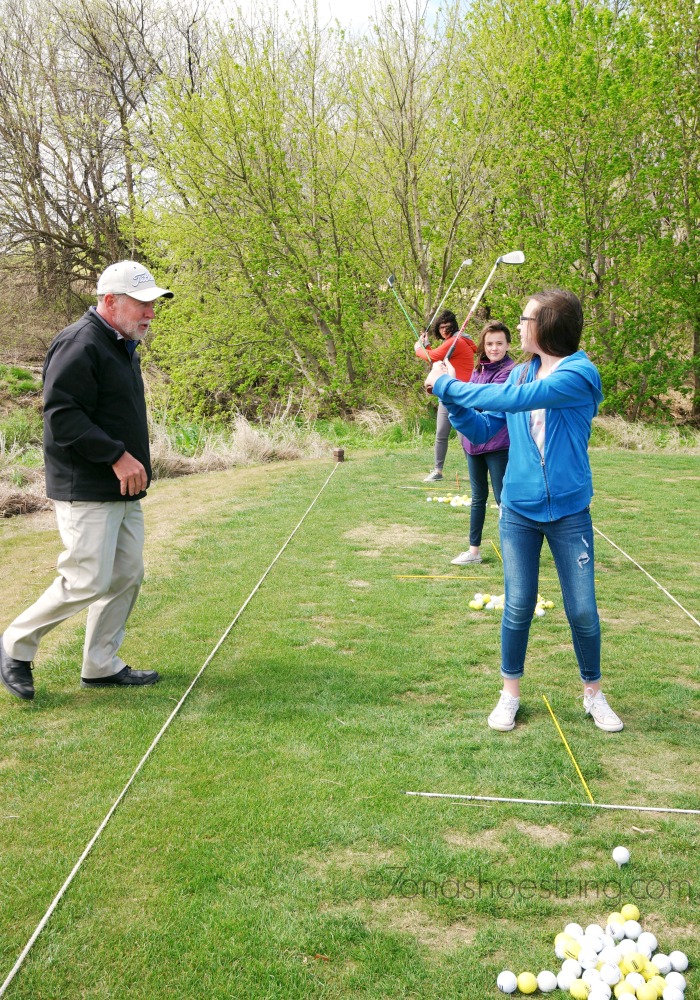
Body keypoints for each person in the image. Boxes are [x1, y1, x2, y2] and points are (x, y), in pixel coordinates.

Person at [424, 289, 623, 733]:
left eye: (524, 318)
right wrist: (453, 401)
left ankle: (593, 693)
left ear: (547, 324)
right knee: (517, 605)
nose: (517, 326)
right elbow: (484, 426)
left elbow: (517, 401)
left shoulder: (579, 374)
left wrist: (447, 382)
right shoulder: (517, 375)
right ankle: (509, 694)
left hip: (570, 512)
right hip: (518, 511)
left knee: (583, 611)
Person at [0, 260, 173, 701]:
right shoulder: (80, 343)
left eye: (154, 304)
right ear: (110, 300)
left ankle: (100, 663)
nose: (150, 313)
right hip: (87, 484)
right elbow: (62, 417)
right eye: (143, 304)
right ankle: (14, 645)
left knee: (126, 574)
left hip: (121, 486)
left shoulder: (121, 341)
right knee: (86, 579)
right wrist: (117, 456)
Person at [451, 320, 514, 566]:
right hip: (473, 445)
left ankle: (514, 552)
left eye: (499, 343)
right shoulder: (479, 370)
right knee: (478, 497)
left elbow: (485, 401)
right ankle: (473, 551)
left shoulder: (510, 371)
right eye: (489, 343)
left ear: (508, 345)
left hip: (498, 445)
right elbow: (469, 399)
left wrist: (454, 389)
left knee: (502, 499)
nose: (494, 348)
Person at [414, 309, 476, 482]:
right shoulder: (452, 342)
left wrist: (419, 348)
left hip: (461, 393)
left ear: (454, 326)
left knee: (463, 435)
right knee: (441, 432)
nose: (443, 330)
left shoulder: (457, 341)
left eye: (446, 326)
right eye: (440, 327)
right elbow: (437, 356)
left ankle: (474, 472)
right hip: (448, 392)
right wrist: (425, 345)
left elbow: (432, 356)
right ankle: (437, 471)